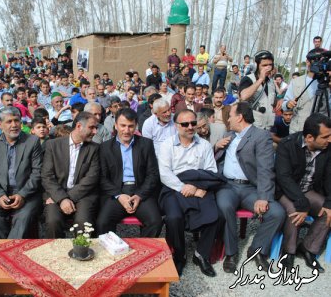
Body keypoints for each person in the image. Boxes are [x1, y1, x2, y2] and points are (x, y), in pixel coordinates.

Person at [215, 102, 285, 273]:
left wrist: (263, 197)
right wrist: (216, 146)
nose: (228, 118)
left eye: (230, 114)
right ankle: (231, 253)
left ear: (239, 117)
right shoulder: (228, 134)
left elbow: (265, 168)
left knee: (277, 213)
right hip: (228, 186)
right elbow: (216, 160)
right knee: (224, 207)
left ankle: (257, 250)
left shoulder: (261, 136)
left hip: (250, 189)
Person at [158, 109, 222, 277]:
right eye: (185, 124)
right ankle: (180, 255)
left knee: (214, 215)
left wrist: (199, 188)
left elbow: (211, 171)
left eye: (193, 123)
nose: (190, 127)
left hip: (199, 186)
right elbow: (164, 173)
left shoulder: (205, 145)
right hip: (173, 187)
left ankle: (201, 254)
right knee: (173, 217)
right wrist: (182, 187)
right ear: (176, 126)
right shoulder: (167, 145)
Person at [275, 113, 331, 273]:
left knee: (328, 211)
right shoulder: (287, 144)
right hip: (286, 191)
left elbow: (330, 177)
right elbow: (284, 178)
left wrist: (329, 203)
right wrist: (302, 203)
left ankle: (307, 248)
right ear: (309, 137)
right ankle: (288, 251)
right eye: (325, 136)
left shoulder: (328, 149)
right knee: (295, 210)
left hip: (310, 190)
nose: (330, 140)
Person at [96, 108, 162, 237]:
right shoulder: (105, 147)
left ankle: (143, 253)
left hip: (140, 190)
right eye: (123, 126)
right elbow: (102, 178)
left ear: (136, 126)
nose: (126, 130)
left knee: (155, 222)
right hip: (116, 191)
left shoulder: (146, 144)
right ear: (115, 125)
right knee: (102, 223)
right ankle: (111, 253)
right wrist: (119, 195)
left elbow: (152, 174)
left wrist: (139, 195)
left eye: (131, 126)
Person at [0, 107, 43, 239]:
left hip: (27, 192)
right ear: (0, 124)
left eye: (17, 121)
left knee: (23, 216)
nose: (14, 125)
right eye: (9, 121)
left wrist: (22, 194)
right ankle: (2, 251)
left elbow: (37, 172)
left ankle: (9, 252)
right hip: (0, 192)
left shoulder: (32, 141)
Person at [41, 112, 100, 238]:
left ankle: (82, 253)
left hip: (83, 195)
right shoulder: (53, 145)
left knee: (83, 224)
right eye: (91, 127)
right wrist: (61, 199)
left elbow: (91, 178)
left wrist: (66, 198)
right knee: (53, 222)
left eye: (96, 128)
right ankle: (56, 255)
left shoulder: (94, 149)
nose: (95, 132)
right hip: (56, 193)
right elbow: (47, 176)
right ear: (79, 126)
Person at [282, 54, 323, 134]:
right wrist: (288, 104)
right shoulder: (296, 82)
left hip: (320, 131)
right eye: (317, 61)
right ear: (308, 62)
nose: (319, 64)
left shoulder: (326, 83)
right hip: (298, 129)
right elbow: (284, 105)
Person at [239, 50, 276, 130]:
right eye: (264, 65)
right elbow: (244, 96)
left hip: (267, 128)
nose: (268, 68)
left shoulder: (271, 82)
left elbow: (271, 102)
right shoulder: (248, 79)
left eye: (270, 65)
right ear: (256, 66)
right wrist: (260, 80)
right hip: (252, 127)